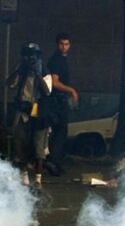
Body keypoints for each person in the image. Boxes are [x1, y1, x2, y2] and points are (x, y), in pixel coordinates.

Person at [7, 42, 51, 189]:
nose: (30, 59)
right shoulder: (22, 70)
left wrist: (37, 75)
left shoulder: (44, 70)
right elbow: (9, 83)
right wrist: (19, 69)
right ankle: (24, 174)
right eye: (27, 56)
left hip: (39, 113)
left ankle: (38, 179)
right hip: (23, 111)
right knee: (21, 143)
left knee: (39, 146)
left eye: (33, 56)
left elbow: (47, 91)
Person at [46, 32, 78, 176]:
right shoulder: (56, 60)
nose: (64, 47)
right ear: (57, 44)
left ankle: (55, 161)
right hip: (57, 101)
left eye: (66, 44)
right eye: (61, 44)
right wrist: (71, 90)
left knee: (60, 132)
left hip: (59, 100)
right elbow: (54, 82)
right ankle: (53, 162)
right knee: (59, 132)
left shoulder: (61, 59)